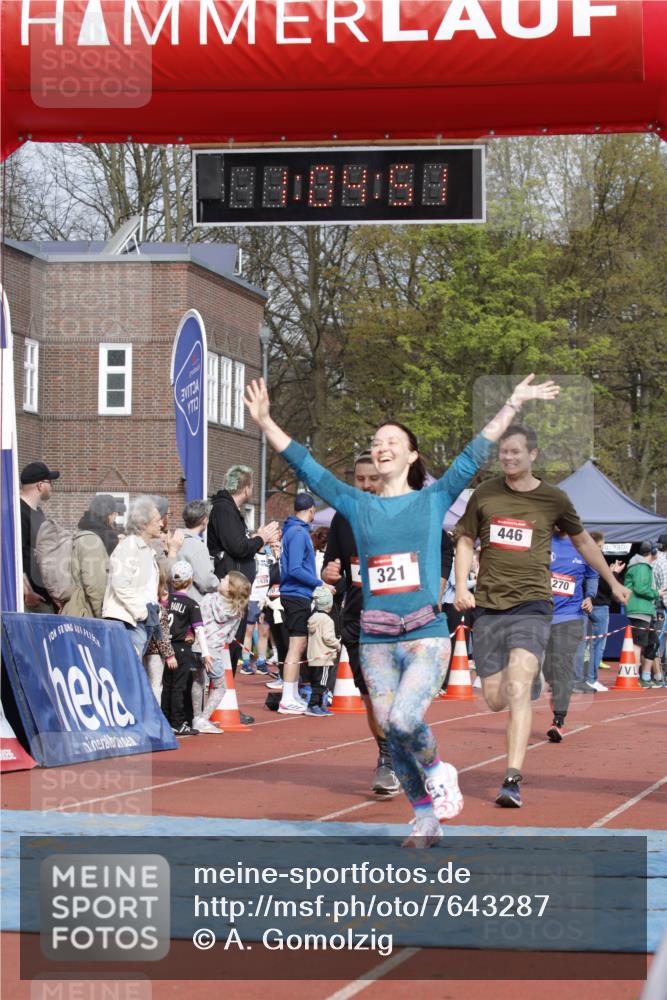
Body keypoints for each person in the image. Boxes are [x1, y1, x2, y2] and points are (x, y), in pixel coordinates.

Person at [245, 374, 559, 847]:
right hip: (375, 637)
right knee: (391, 733)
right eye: (376, 442)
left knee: (404, 720)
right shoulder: (356, 504)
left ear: (412, 455)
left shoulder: (434, 498)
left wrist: (513, 402)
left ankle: (439, 769)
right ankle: (425, 818)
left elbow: (475, 452)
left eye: (392, 441)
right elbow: (308, 466)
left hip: (424, 633)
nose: (382, 447)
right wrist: (267, 422)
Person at [454, 425, 631, 809]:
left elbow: (583, 541)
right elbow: (465, 539)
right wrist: (461, 586)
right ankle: (520, 676)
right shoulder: (485, 494)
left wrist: (611, 581)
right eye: (503, 452)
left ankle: (511, 779)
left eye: (515, 451)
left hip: (533, 605)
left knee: (519, 691)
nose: (508, 458)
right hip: (489, 606)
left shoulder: (553, 498)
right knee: (495, 698)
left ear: (533, 455)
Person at [322, 450, 400, 794]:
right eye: (360, 479)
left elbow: (440, 551)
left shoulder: (406, 513)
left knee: (393, 695)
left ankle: (395, 756)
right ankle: (387, 757)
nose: (367, 485)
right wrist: (329, 574)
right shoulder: (343, 518)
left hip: (400, 618)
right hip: (358, 618)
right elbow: (332, 567)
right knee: (371, 696)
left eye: (374, 478)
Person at [207, 464, 280, 706]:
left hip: (237, 587)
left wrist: (256, 538)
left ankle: (224, 701)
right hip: (231, 588)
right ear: (246, 487)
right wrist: (261, 538)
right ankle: (220, 703)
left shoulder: (228, 510)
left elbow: (238, 544)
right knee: (229, 645)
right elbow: (238, 547)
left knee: (233, 644)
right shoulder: (225, 510)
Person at [543, 530, 599, 743]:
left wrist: (589, 597)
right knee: (549, 672)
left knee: (563, 666)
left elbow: (593, 575)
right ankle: (556, 697)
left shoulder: (582, 545)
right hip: (542, 615)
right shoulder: (542, 539)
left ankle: (558, 720)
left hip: (571, 616)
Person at [278, 492, 324, 714]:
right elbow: (295, 568)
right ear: (311, 509)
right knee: (296, 646)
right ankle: (287, 697)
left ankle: (292, 693)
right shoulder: (298, 533)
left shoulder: (294, 531)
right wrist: (319, 583)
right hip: (296, 594)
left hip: (297, 594)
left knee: (299, 645)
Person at [103, 496, 163, 660]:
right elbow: (120, 584)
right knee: (126, 670)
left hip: (138, 621)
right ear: (143, 524)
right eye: (157, 520)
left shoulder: (145, 549)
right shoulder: (129, 546)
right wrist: (143, 612)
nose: (162, 524)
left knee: (132, 669)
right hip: (128, 622)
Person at [195, 571, 252, 733]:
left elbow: (196, 619)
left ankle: (195, 716)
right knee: (220, 687)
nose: (221, 579)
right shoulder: (237, 612)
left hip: (197, 646)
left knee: (198, 681)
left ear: (230, 588)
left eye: (225, 579)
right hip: (214, 651)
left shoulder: (208, 599)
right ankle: (203, 719)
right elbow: (230, 638)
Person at [163, 561, 212, 737]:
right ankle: (177, 722)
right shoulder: (192, 604)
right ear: (190, 581)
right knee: (178, 686)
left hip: (165, 647)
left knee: (166, 686)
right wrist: (206, 653)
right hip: (181, 648)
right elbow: (199, 630)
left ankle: (165, 720)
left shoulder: (165, 600)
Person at [62, 494, 119, 618]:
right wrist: (102, 616)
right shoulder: (92, 541)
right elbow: (94, 585)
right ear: (109, 515)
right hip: (86, 612)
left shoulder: (87, 535)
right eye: (115, 514)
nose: (116, 518)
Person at [19, 461, 59, 612]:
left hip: (44, 596)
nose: (52, 487)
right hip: (30, 600)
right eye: (50, 482)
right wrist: (26, 591)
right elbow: (14, 555)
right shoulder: (18, 513)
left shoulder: (38, 513)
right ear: (40, 485)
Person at [625, 541, 665, 687]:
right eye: (657, 551)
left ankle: (646, 677)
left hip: (646, 609)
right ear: (652, 552)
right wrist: (657, 593)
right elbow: (640, 588)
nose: (659, 553)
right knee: (639, 643)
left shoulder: (644, 566)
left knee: (653, 643)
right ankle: (635, 677)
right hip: (639, 610)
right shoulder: (641, 566)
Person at [240, 542, 276, 676]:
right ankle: (245, 663)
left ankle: (261, 662)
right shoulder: (251, 556)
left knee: (264, 632)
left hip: (265, 599)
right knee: (248, 631)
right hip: (252, 598)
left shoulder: (270, 556)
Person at [306, 586, 341, 716]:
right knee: (322, 684)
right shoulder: (327, 620)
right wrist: (337, 644)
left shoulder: (313, 617)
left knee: (316, 682)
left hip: (313, 657)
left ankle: (319, 704)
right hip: (324, 658)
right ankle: (314, 705)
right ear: (329, 604)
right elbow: (328, 638)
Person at [177, 500, 219, 603]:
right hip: (192, 602)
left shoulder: (176, 539)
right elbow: (206, 580)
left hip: (176, 600)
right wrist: (220, 586)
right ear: (205, 520)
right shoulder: (197, 546)